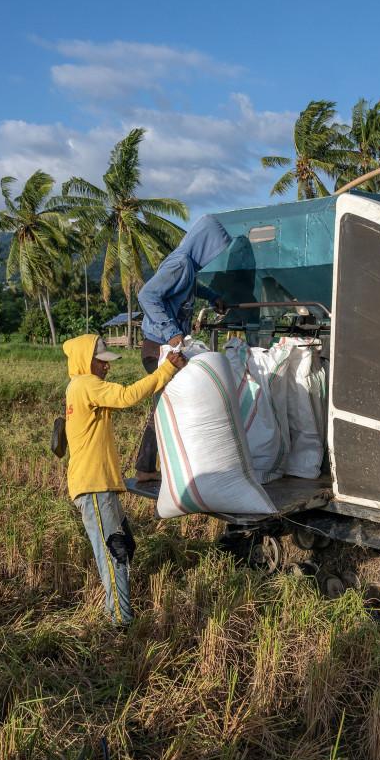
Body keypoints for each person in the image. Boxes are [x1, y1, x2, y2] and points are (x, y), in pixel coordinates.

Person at [63, 334, 185, 625]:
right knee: (114, 553)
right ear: (85, 361)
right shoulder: (84, 384)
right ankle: (121, 623)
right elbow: (126, 397)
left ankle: (116, 607)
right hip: (93, 487)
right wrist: (166, 370)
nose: (107, 368)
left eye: (107, 363)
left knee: (126, 545)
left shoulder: (79, 387)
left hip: (101, 485)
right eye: (101, 362)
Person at [133, 215, 231, 482]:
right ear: (204, 243)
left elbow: (190, 287)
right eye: (213, 249)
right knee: (165, 405)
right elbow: (147, 295)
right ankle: (153, 468)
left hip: (165, 346)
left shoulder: (188, 266)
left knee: (167, 404)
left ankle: (153, 467)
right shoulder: (180, 263)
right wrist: (172, 332)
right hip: (158, 348)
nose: (213, 256)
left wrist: (213, 297)